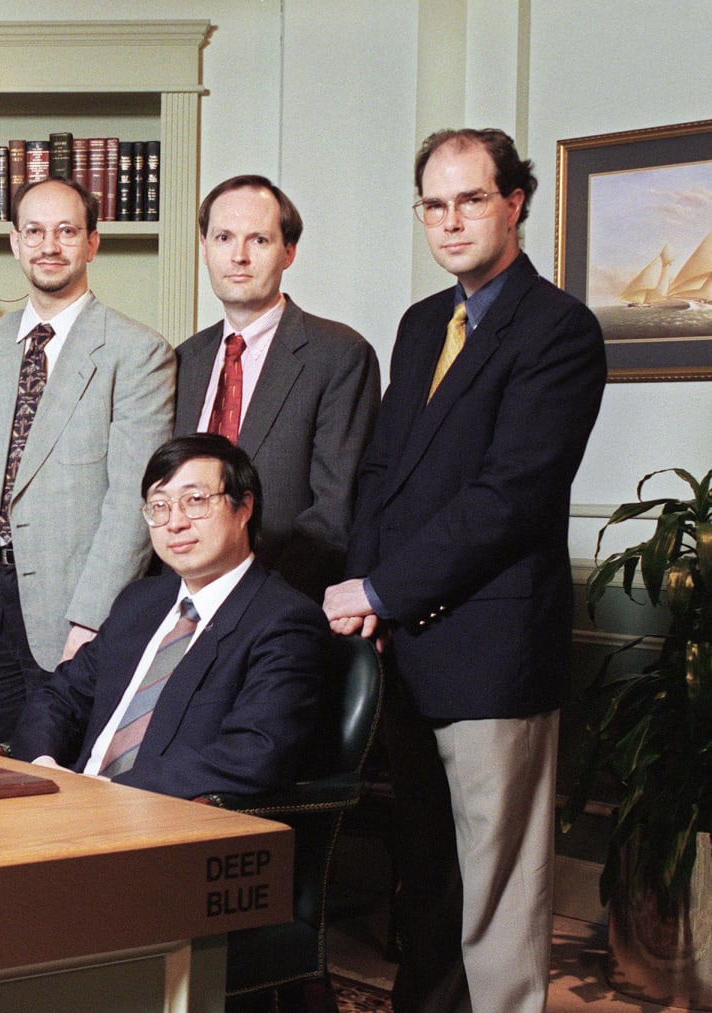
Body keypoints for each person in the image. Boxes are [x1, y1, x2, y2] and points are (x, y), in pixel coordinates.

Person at [324, 128, 606, 1012]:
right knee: (431, 881)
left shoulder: (559, 329)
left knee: (498, 893)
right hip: (407, 648)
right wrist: (368, 589)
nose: (450, 221)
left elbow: (509, 498)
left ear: (515, 200)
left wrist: (379, 587)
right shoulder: (419, 325)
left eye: (471, 199)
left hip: (491, 649)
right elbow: (380, 473)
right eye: (434, 205)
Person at [0, 176, 175, 747]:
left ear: (92, 243)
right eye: (34, 231)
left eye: (66, 231)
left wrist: (93, 617)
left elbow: (133, 502)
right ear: (15, 243)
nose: (49, 245)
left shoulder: (138, 353)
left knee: (64, 781)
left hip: (72, 612)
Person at [10, 434, 327, 799]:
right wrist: (44, 766)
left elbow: (254, 754)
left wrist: (109, 791)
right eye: (158, 506)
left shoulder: (284, 621)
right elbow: (58, 698)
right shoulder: (139, 602)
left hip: (166, 825)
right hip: (67, 804)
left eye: (195, 501)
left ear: (244, 508)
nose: (174, 523)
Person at [175, 175, 379, 600]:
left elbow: (333, 513)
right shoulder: (182, 361)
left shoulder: (339, 355)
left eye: (260, 240)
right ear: (205, 247)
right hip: (180, 600)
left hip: (281, 601)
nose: (239, 256)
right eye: (224, 237)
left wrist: (255, 606)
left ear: (288, 252)